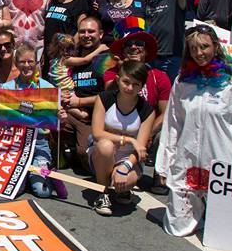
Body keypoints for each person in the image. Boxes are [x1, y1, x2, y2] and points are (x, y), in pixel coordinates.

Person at [157, 24, 232, 236]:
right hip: (187, 163)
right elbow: (172, 125)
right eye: (193, 48)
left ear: (216, 46)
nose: (199, 53)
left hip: (221, 165)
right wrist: (164, 164)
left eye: (204, 47)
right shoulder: (182, 82)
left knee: (224, 234)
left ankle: (211, 210)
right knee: (177, 228)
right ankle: (197, 211)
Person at [104, 18, 171, 193]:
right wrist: (121, 70)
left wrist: (148, 134)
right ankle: (110, 178)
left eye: (139, 43)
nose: (134, 47)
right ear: (122, 50)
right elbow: (106, 97)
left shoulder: (159, 76)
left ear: (146, 49)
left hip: (149, 131)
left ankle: (159, 174)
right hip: (120, 133)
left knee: (166, 131)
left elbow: (165, 112)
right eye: (128, 44)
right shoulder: (112, 74)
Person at [0, 45, 64, 199]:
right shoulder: (6, 88)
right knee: (14, 189)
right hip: (15, 143)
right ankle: (26, 175)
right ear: (16, 64)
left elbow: (54, 120)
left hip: (39, 143)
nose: (27, 65)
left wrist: (60, 116)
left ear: (37, 63)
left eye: (31, 61)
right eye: (22, 62)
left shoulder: (48, 89)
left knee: (43, 191)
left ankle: (36, 172)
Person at [88, 61, 156, 216]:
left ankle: (122, 189)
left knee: (126, 180)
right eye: (126, 82)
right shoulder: (104, 99)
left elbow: (141, 148)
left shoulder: (147, 110)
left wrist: (125, 167)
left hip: (128, 158)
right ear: (118, 79)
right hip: (102, 155)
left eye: (136, 84)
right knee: (105, 145)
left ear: (142, 86)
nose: (130, 88)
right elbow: (97, 133)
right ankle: (103, 192)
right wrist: (129, 140)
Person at [61, 16, 108, 170]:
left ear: (100, 34)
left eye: (91, 31)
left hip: (94, 116)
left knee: (85, 157)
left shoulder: (106, 58)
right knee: (47, 123)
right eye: (82, 32)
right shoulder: (73, 56)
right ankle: (67, 149)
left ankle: (79, 150)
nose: (86, 35)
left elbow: (110, 96)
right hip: (71, 111)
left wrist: (80, 102)